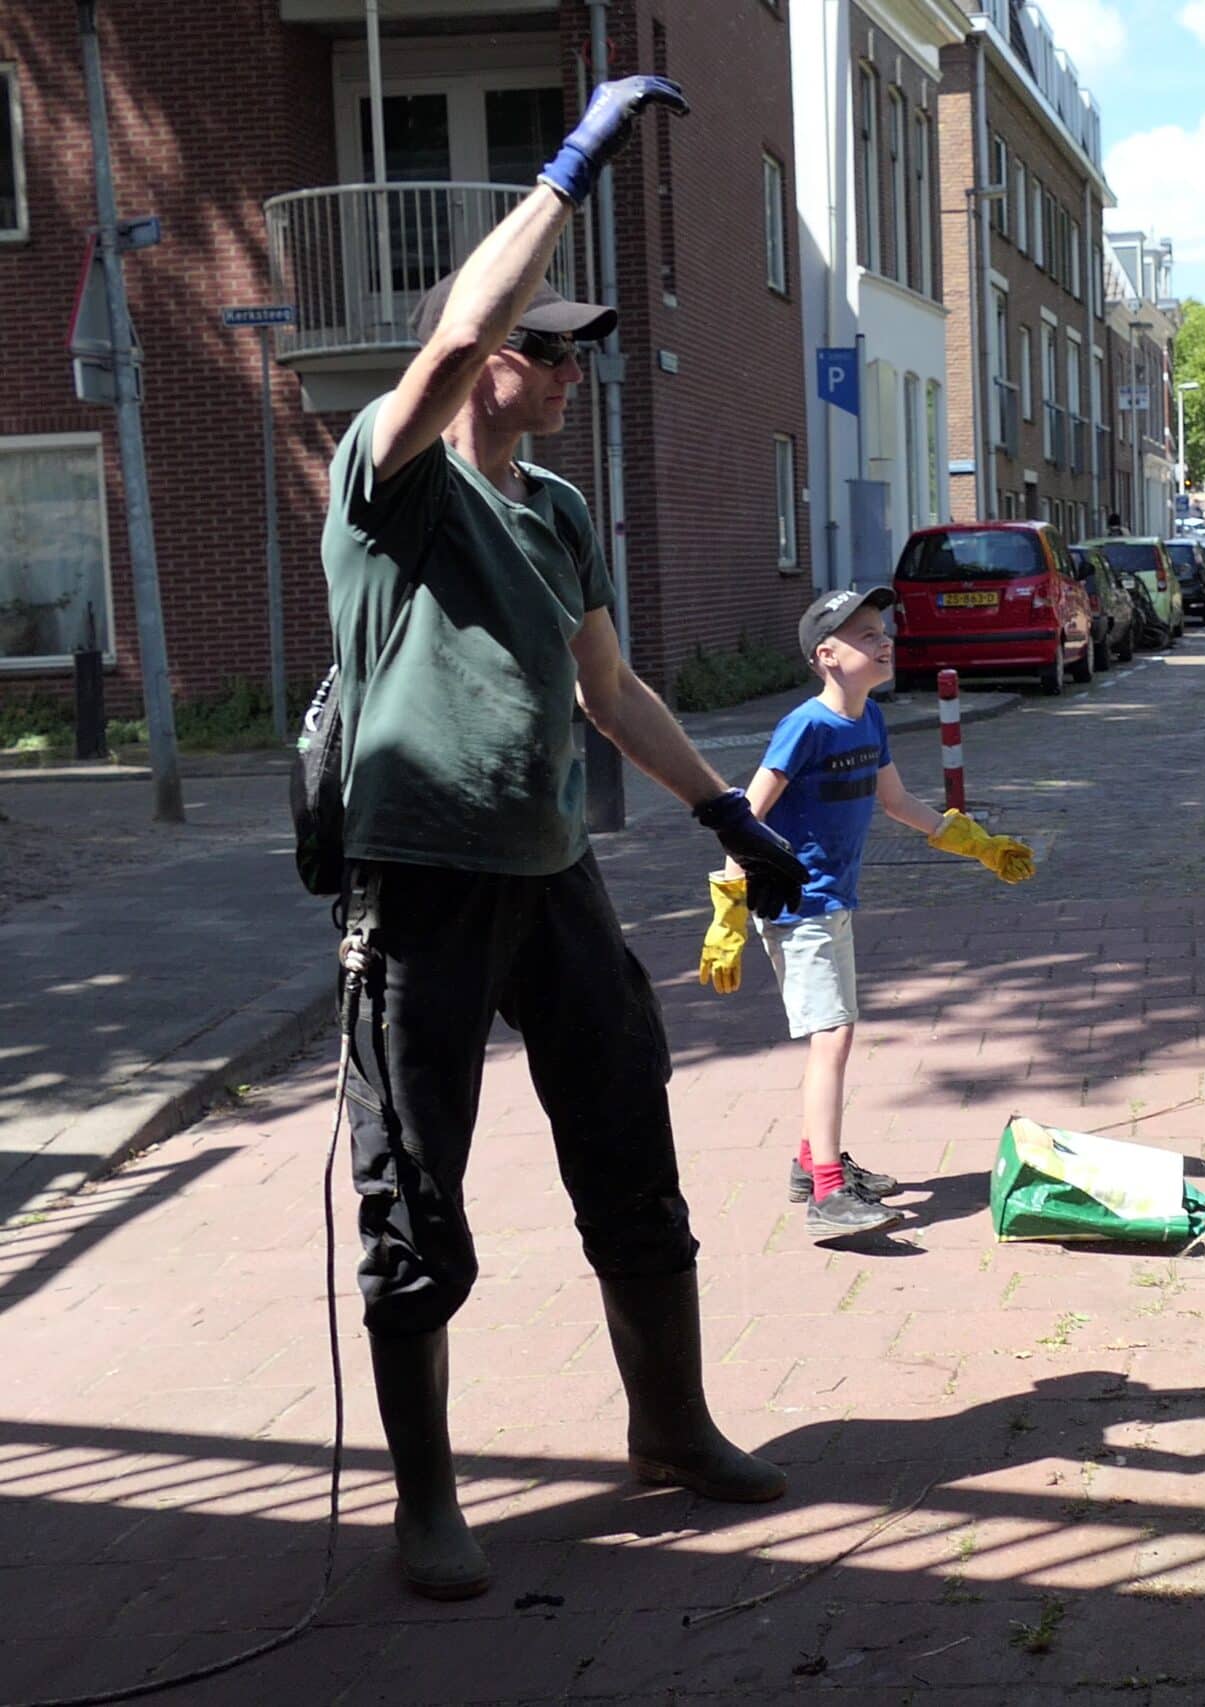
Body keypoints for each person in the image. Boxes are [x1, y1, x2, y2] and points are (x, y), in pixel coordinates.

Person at [320, 76, 811, 1601]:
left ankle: (667, 1426)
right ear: (489, 372)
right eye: (557, 349)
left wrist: (724, 806)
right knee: (416, 1188)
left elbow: (607, 688)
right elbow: (459, 330)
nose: (578, 368)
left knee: (630, 1128)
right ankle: (426, 1502)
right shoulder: (390, 482)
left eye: (581, 350)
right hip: (420, 886)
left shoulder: (562, 514)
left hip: (554, 878)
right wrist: (575, 164)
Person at [698, 588, 1035, 1239]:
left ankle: (810, 1162)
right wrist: (728, 905)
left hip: (836, 902)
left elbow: (897, 802)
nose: (884, 641)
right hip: (795, 903)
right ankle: (827, 1193)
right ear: (826, 655)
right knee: (834, 1035)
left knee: (835, 1028)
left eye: (882, 630)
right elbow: (745, 814)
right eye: (865, 635)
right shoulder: (806, 727)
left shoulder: (870, 719)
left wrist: (976, 842)